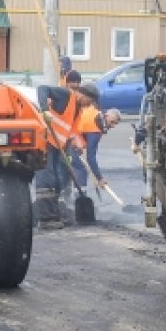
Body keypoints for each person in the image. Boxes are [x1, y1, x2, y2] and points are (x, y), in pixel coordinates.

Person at [34, 81, 100, 229]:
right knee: (46, 178)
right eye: (90, 101)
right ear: (83, 95)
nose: (89, 105)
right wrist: (44, 110)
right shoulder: (66, 95)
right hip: (44, 139)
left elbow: (69, 131)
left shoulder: (78, 109)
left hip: (58, 145)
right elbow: (42, 88)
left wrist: (70, 150)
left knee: (59, 179)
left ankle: (55, 214)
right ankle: (45, 219)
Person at [72, 107, 122, 195]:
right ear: (106, 116)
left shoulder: (95, 113)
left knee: (69, 167)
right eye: (112, 122)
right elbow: (91, 157)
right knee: (81, 169)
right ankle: (80, 196)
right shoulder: (95, 130)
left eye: (115, 124)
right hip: (67, 142)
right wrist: (100, 178)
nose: (113, 126)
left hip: (67, 137)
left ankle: (63, 194)